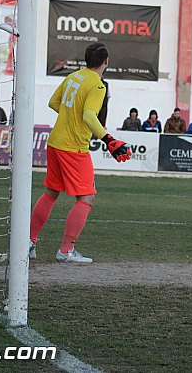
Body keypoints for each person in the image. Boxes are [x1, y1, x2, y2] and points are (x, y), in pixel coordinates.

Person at [28, 43, 132, 263]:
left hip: (56, 141)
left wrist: (71, 115)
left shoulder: (74, 76)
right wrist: (109, 140)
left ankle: (28, 242)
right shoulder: (98, 85)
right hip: (73, 147)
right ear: (106, 61)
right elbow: (88, 116)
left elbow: (54, 102)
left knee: (51, 193)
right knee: (87, 197)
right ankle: (66, 251)